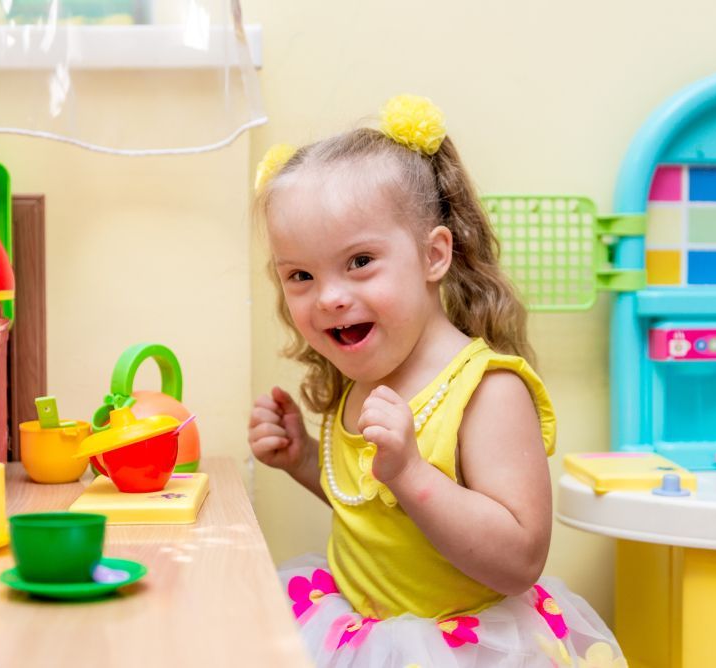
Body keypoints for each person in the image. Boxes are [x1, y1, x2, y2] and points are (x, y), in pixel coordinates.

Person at [248, 94, 625, 667]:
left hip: (465, 649)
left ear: (434, 255)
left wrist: (411, 472)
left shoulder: (487, 391)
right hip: (359, 634)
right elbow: (381, 513)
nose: (328, 296)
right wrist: (305, 460)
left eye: (359, 262)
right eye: (300, 274)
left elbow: (520, 558)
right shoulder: (368, 373)